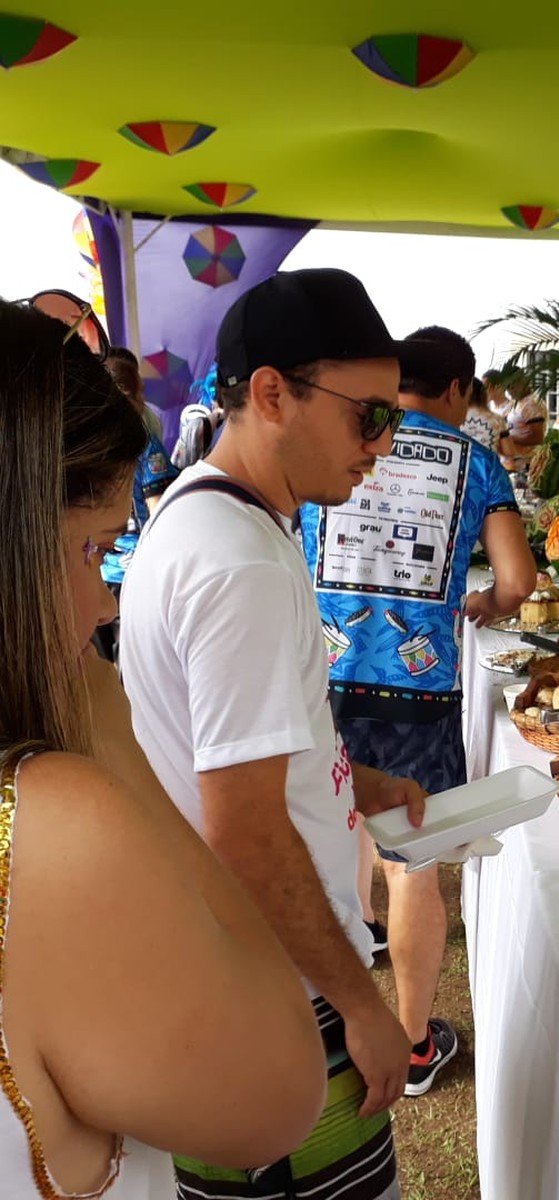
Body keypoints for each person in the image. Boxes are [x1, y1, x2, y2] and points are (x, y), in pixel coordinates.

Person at [0, 298, 326, 1197]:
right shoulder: (52, 825)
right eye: (91, 550)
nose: (104, 602)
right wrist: (106, 723)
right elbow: (275, 1095)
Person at [120, 268, 427, 1200]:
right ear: (270, 394)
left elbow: (235, 749)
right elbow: (246, 828)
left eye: (394, 417)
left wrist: (352, 777)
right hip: (280, 988)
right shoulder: (237, 564)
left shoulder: (220, 514)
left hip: (258, 971)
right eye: (368, 415)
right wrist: (362, 1002)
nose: (385, 443)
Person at [300, 326, 536, 1097]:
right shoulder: (474, 459)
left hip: (322, 676)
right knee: (415, 868)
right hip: (418, 689)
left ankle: (336, 999)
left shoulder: (337, 436)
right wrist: (482, 602)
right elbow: (518, 580)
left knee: (334, 832)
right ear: (460, 390)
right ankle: (409, 1045)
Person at [95, 349, 178, 663]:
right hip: (133, 571)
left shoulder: (81, 442)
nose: (144, 402)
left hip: (93, 569)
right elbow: (158, 510)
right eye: (138, 393)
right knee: (133, 666)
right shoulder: (142, 439)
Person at [461, 375, 513, 456]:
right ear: (482, 394)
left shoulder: (454, 419)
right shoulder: (497, 419)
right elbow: (509, 451)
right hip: (487, 466)